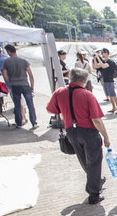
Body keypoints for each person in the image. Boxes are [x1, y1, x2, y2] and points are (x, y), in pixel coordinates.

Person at [46, 68, 111, 205]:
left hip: (71, 132)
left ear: (70, 78)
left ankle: (96, 181)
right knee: (94, 162)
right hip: (88, 132)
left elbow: (50, 109)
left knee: (84, 160)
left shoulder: (59, 92)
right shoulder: (87, 95)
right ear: (85, 80)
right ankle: (94, 194)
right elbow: (96, 120)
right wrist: (105, 136)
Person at [1, 44, 38, 129]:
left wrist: (10, 81)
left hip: (15, 85)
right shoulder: (24, 61)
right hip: (25, 84)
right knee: (30, 105)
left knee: (17, 105)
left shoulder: (6, 62)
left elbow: (5, 74)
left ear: (9, 52)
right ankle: (34, 122)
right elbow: (30, 75)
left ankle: (19, 122)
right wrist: (32, 86)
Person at [94, 48, 117, 114]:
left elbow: (103, 66)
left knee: (113, 95)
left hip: (110, 81)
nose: (102, 54)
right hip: (106, 81)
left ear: (107, 53)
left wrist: (98, 57)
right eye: (102, 53)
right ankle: (113, 108)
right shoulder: (105, 61)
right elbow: (95, 66)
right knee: (110, 96)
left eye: (103, 53)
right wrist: (95, 58)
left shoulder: (110, 62)